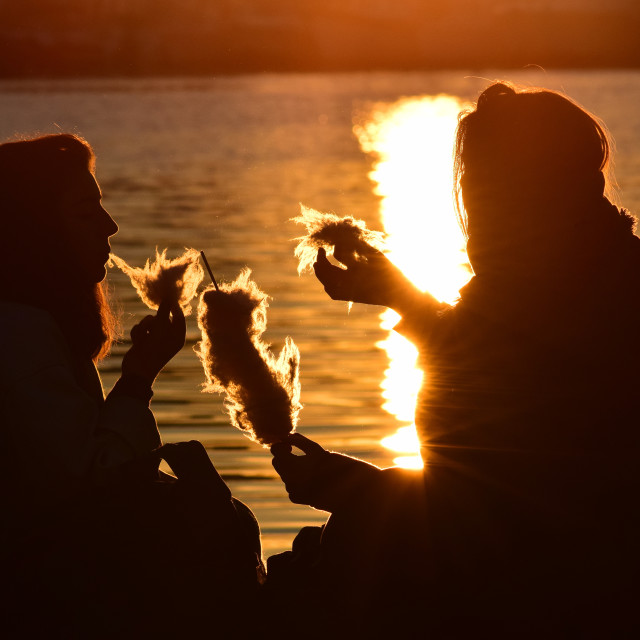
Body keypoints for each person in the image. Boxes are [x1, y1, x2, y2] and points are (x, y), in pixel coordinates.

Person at [270, 82, 640, 635]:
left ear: (516, 196)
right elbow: (498, 355)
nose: (470, 208)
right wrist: (401, 297)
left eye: (477, 188)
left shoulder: (548, 297)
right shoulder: (598, 274)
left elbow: (508, 519)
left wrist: (353, 490)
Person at [0, 135, 262, 636]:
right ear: (35, 231)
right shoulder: (18, 334)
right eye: (85, 212)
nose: (110, 226)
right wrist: (139, 377)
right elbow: (84, 482)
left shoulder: (34, 324)